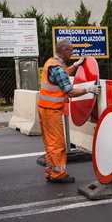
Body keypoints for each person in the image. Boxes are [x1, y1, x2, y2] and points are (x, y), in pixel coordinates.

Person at [38, 39, 100, 183]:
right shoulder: (58, 68)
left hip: (45, 109)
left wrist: (75, 65)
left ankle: (50, 171)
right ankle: (58, 174)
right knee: (58, 144)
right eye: (71, 51)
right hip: (52, 111)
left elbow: (64, 73)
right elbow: (69, 91)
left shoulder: (52, 62)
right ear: (65, 51)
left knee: (49, 143)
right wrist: (88, 89)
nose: (72, 53)